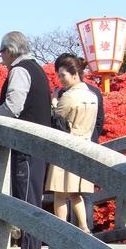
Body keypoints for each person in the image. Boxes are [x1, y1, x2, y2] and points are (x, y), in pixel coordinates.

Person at [0, 31, 52, 249]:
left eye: (1, 52)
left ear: (9, 50)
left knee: (27, 200)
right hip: (38, 144)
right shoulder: (36, 68)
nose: (1, 58)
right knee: (31, 198)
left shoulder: (19, 70)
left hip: (27, 144)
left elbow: (13, 106)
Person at [45, 55, 99, 232]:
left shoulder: (68, 97)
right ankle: (84, 228)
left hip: (66, 147)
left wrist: (53, 103)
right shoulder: (92, 96)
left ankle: (62, 231)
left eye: (63, 75)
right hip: (84, 145)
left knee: (60, 194)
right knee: (76, 193)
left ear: (75, 74)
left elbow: (56, 121)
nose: (60, 80)